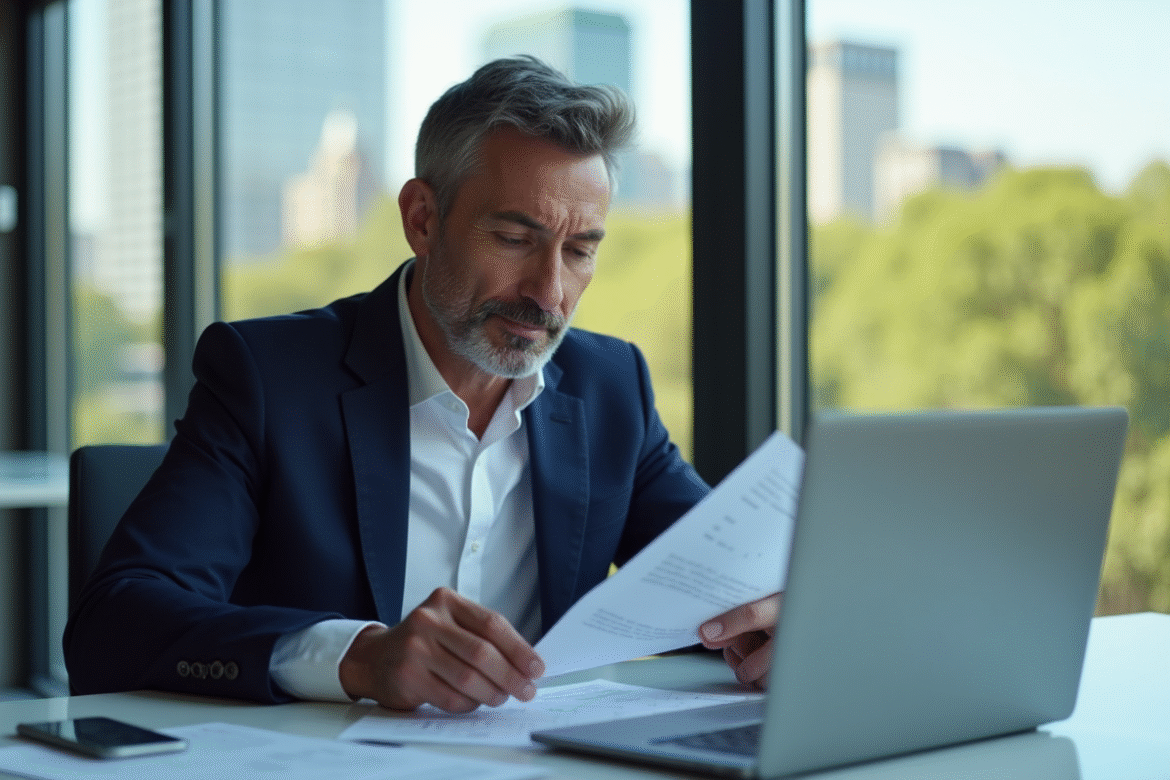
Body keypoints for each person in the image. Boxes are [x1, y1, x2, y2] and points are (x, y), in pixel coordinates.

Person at [64, 56, 778, 712]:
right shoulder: (265, 377)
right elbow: (117, 623)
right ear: (423, 219)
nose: (549, 292)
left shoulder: (611, 386)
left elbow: (716, 589)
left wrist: (770, 621)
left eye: (580, 250)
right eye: (514, 239)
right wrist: (358, 658)